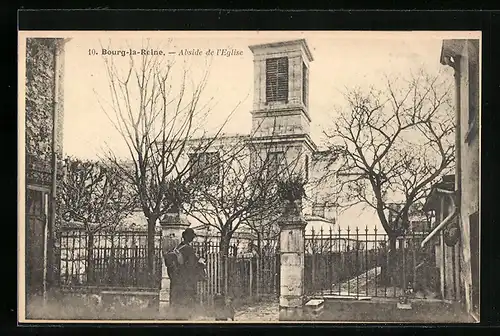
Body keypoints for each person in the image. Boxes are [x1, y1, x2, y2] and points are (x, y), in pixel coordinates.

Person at [169, 228, 205, 319]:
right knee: (187, 302)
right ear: (190, 238)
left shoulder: (178, 247)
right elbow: (191, 266)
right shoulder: (189, 249)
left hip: (176, 281)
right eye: (192, 237)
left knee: (178, 303)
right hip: (187, 281)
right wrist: (200, 263)